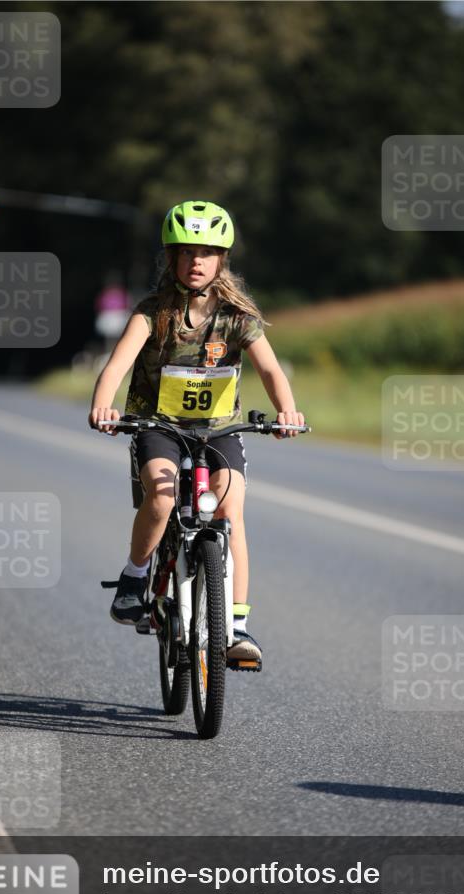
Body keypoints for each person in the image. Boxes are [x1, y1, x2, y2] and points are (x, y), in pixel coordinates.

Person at [89, 200, 304, 662]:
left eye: (207, 252)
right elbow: (117, 366)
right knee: (164, 497)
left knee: (230, 510)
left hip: (219, 430)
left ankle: (237, 627)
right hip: (159, 426)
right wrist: (102, 406)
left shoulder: (237, 317)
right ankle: (133, 578)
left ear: (222, 259)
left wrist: (288, 412)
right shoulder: (151, 313)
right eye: (186, 252)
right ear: (171, 258)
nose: (196, 261)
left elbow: (270, 370)